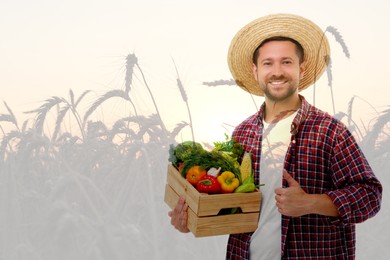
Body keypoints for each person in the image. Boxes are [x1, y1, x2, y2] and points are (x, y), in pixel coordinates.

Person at [169, 13, 382, 259]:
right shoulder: (243, 133)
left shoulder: (330, 131)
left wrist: (311, 203)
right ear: (256, 70)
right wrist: (191, 219)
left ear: (301, 69)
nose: (277, 72)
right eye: (268, 63)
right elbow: (231, 206)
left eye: (286, 62)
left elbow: (369, 196)